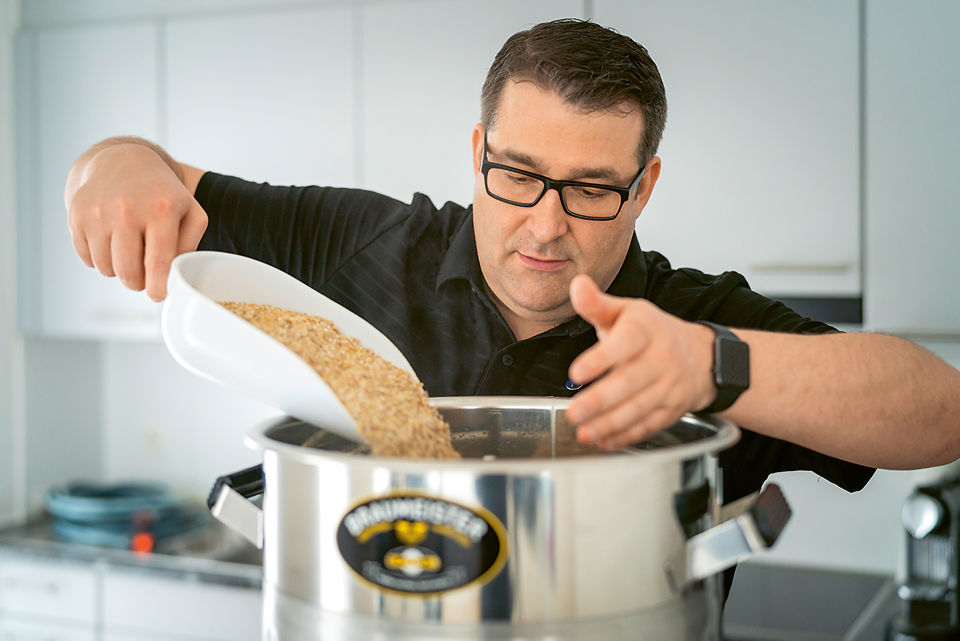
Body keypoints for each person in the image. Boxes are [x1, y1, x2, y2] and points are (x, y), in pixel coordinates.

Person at [65, 20, 959, 509]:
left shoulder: (688, 320)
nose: (546, 222)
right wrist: (111, 162)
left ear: (644, 189)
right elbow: (147, 170)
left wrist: (715, 365)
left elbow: (941, 416)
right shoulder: (365, 241)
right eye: (519, 174)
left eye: (592, 189)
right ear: (478, 151)